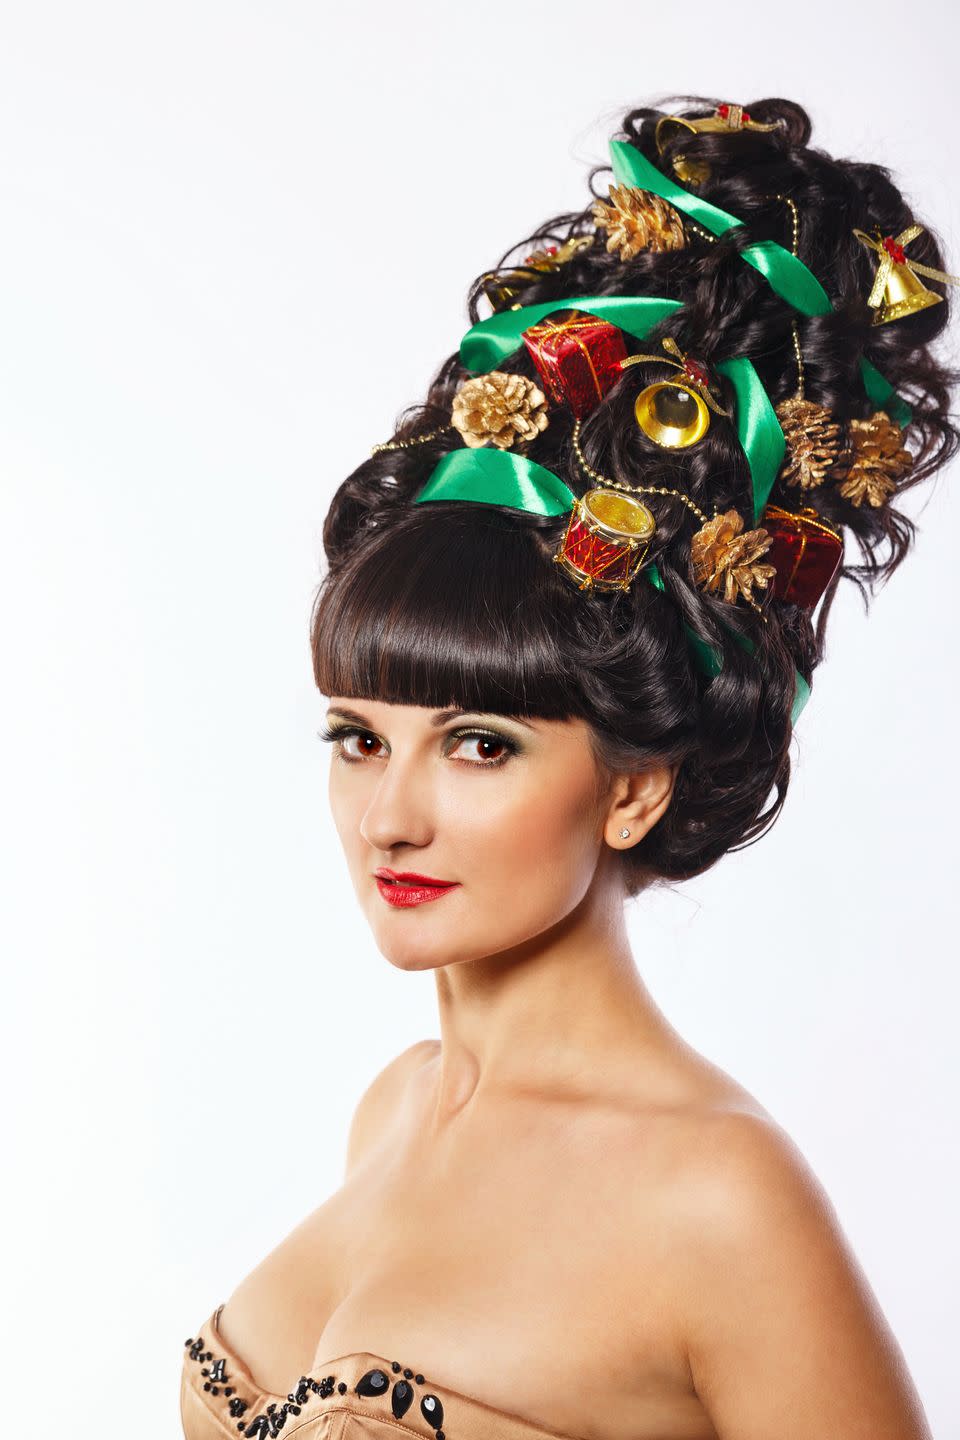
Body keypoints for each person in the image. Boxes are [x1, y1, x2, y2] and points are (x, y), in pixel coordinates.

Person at [180, 94, 956, 1440]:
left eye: (481, 745)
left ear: (634, 786)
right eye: (360, 738)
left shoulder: (716, 1194)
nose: (390, 816)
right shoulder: (397, 1109)